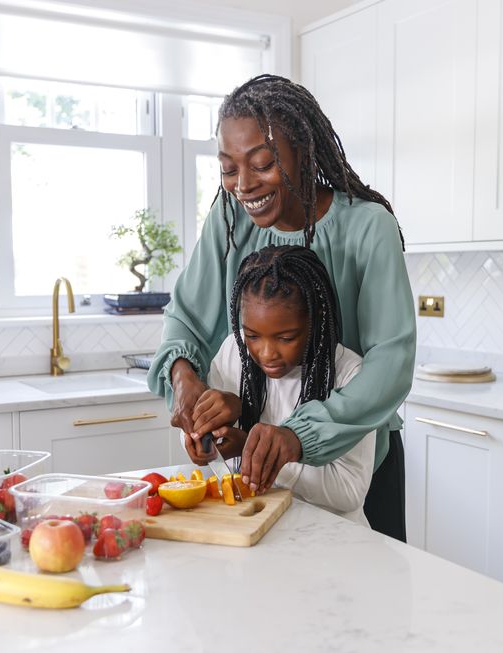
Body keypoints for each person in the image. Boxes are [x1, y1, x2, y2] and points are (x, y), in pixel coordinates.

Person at [147, 74, 415, 540]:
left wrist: (299, 437)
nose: (243, 185)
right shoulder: (230, 217)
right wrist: (186, 382)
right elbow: (186, 317)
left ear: (304, 156)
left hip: (353, 458)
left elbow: (390, 364)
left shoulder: (368, 227)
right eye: (228, 169)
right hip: (259, 462)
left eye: (263, 163)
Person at [183, 246, 376, 524]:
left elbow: (349, 491)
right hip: (256, 529)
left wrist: (258, 451)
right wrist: (200, 438)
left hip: (331, 540)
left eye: (285, 338)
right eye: (252, 335)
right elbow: (206, 442)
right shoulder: (234, 352)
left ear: (315, 317)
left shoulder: (350, 374)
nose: (266, 353)